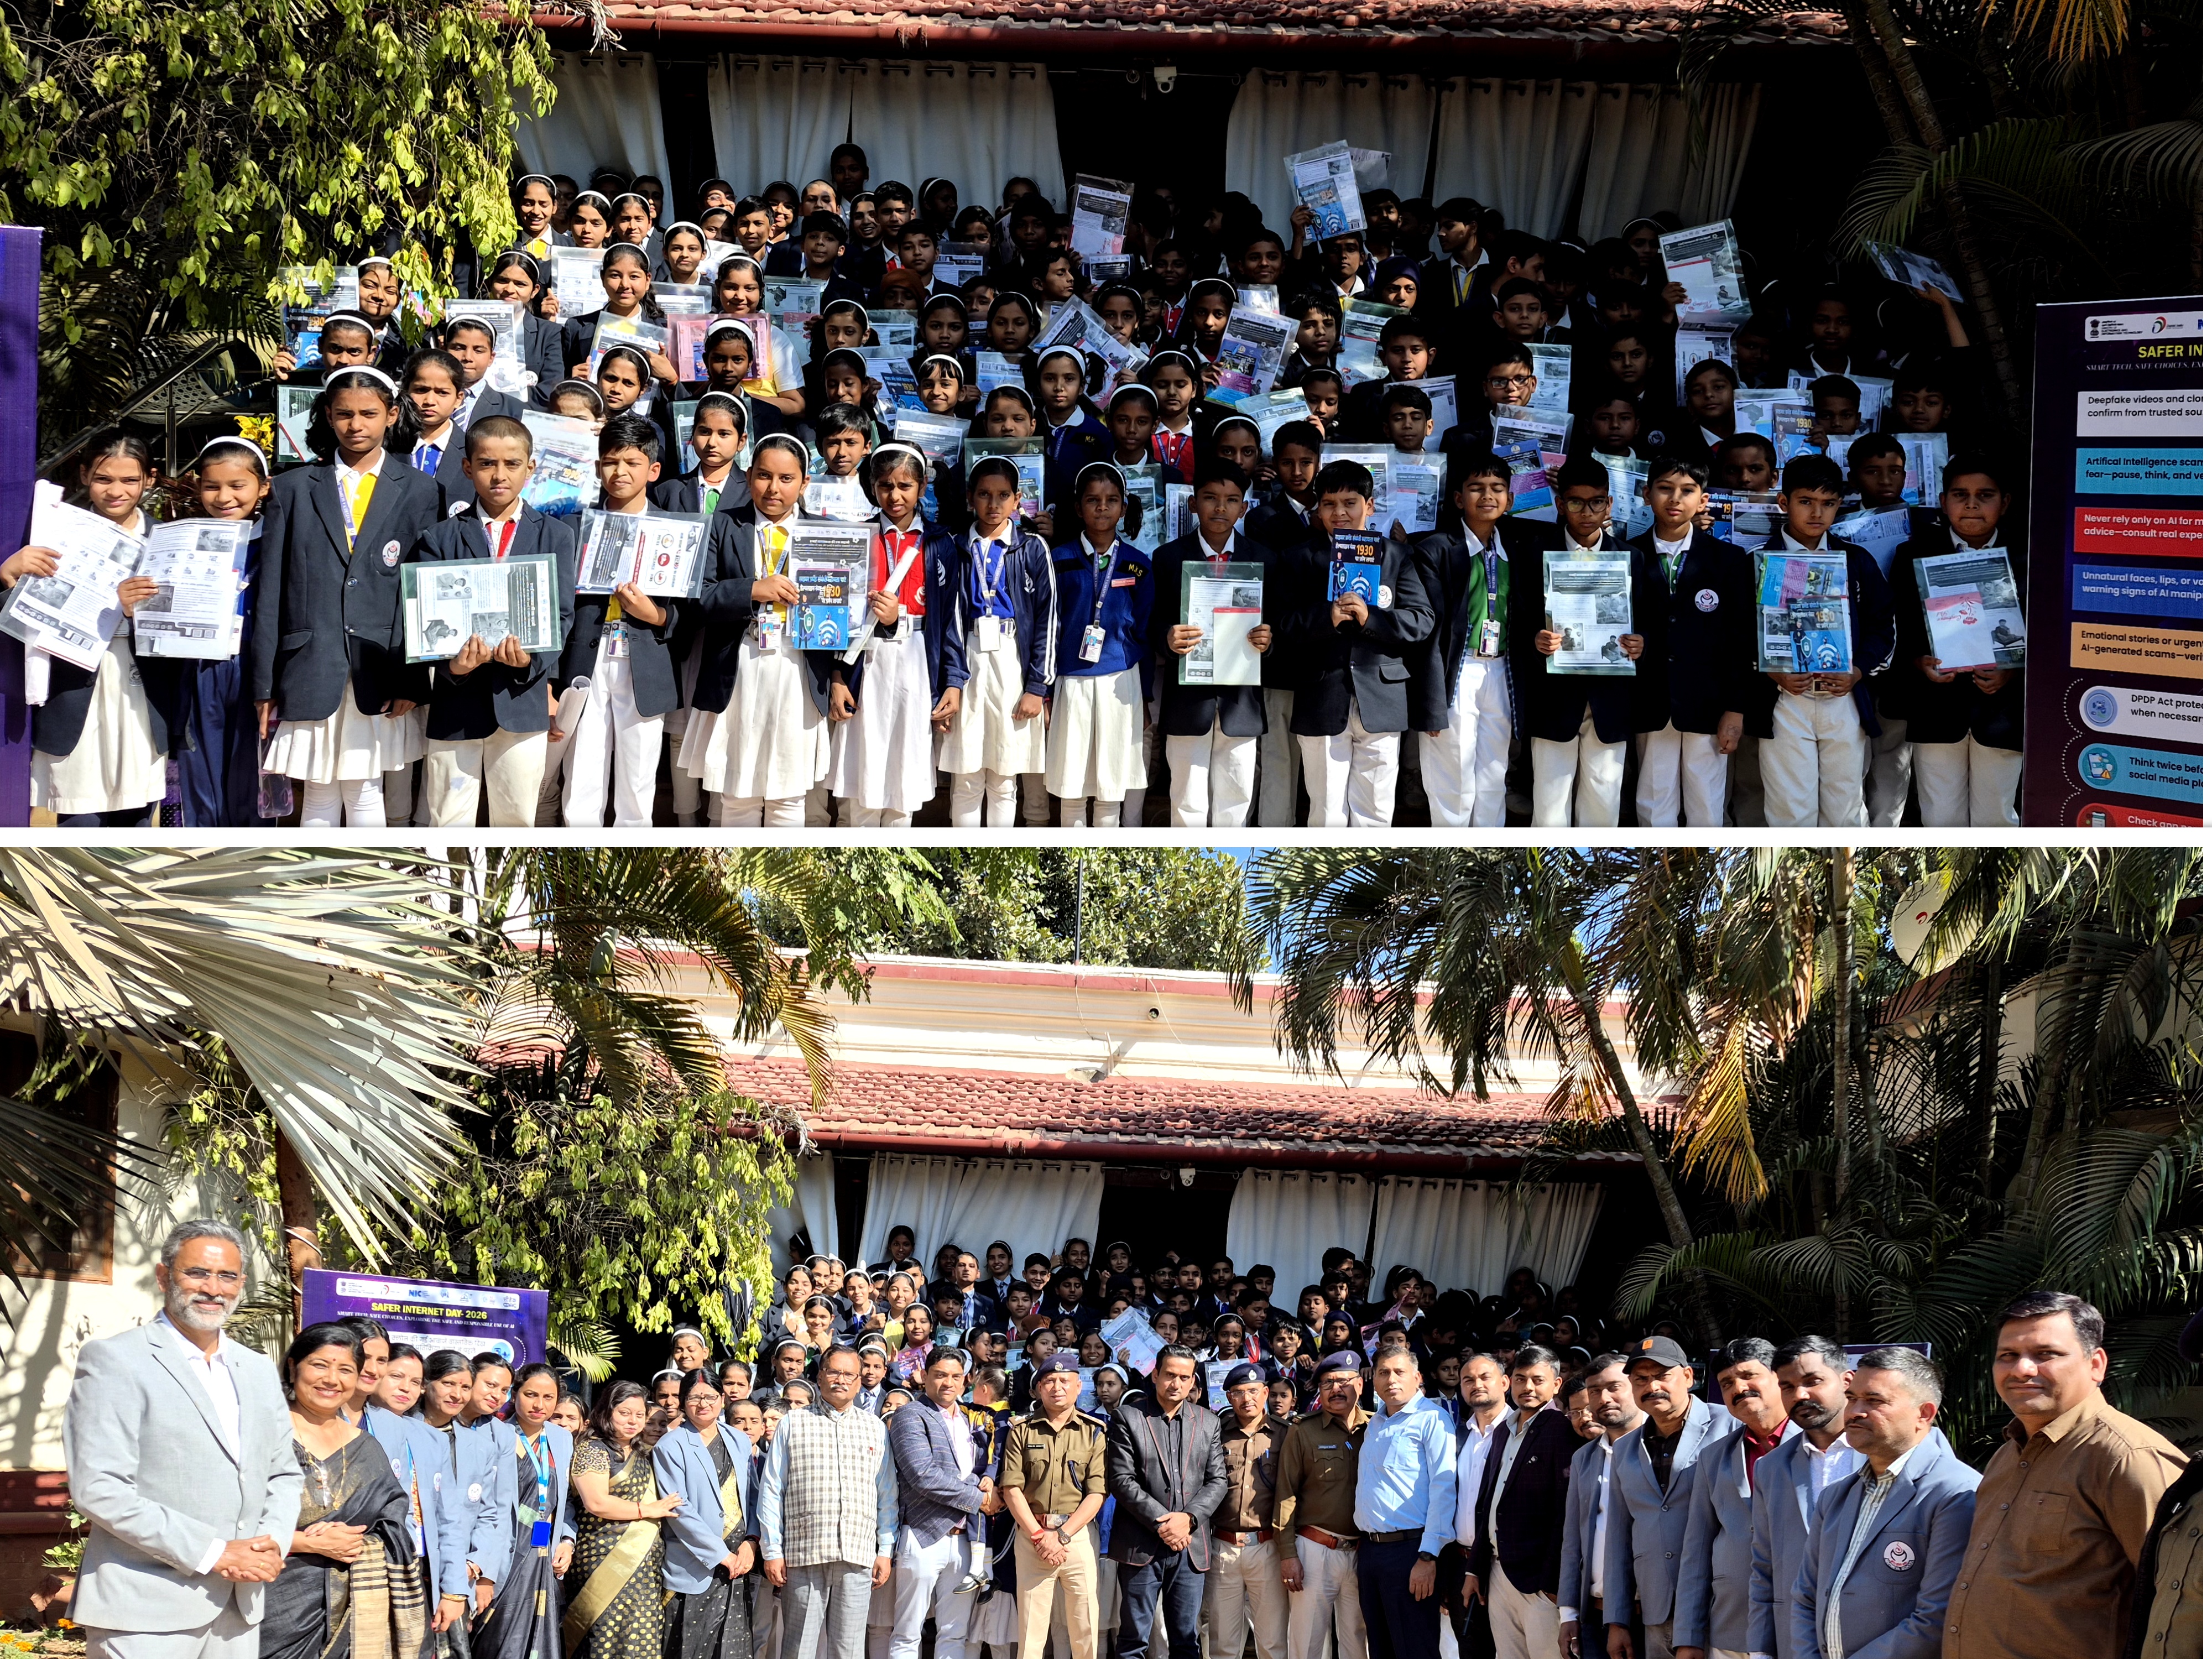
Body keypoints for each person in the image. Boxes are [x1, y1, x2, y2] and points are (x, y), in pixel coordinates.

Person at [64, 1220, 303, 1659]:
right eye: (197, 1273)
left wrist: (267, 1545)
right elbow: (99, 1487)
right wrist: (214, 1552)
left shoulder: (256, 1368)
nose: (213, 1288)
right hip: (145, 1609)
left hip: (239, 1606)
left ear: (241, 1284)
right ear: (163, 1276)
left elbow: (283, 1473)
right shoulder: (116, 1360)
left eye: (227, 1276)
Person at [1940, 1293, 2185, 1659]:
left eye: (2046, 1354)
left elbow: (2181, 1595)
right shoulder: (2007, 1455)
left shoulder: (2128, 1458)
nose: (2022, 1369)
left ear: (2096, 1365)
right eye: (2008, 1356)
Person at [253, 367, 442, 826]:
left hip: (381, 665)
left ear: (391, 415)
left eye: (369, 414)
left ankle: (369, 866)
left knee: (365, 788)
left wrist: (411, 680)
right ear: (328, 416)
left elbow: (422, 591)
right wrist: (264, 684)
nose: (356, 425)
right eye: (344, 414)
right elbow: (272, 590)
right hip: (309, 662)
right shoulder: (292, 488)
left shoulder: (420, 490)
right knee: (317, 790)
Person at [401, 413, 577, 827]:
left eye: (512, 464)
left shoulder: (556, 534)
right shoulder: (439, 537)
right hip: (456, 700)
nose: (500, 475)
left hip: (521, 700)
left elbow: (562, 614)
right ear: (468, 467)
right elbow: (422, 618)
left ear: (530, 468)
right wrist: (452, 666)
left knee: (517, 819)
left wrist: (531, 663)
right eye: (486, 464)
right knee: (448, 818)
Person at [1788, 1347, 1980, 1659]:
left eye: (1874, 1401)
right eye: (1851, 1398)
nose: (1855, 1412)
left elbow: (1937, 1617)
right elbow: (1805, 1597)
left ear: (1924, 1414)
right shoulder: (1836, 1497)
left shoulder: (1956, 1494)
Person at [1281, 458, 1436, 827]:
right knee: (1326, 812)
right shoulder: (1298, 557)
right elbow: (1284, 626)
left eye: (1350, 503)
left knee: (1376, 812)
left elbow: (1422, 620)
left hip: (1381, 697)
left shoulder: (1396, 556)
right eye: (1329, 504)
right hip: (1322, 695)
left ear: (1370, 505)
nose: (1340, 513)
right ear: (1318, 510)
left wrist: (1372, 619)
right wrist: (1327, 618)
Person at [260, 1323, 422, 1659]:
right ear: (293, 1366)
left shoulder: (366, 1447)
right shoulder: (262, 1432)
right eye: (320, 1365)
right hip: (268, 1603)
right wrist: (305, 1542)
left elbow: (394, 1521)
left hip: (353, 1611)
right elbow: (228, 1519)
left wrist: (359, 1542)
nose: (332, 1380)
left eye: (346, 1370)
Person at [1753, 454, 1894, 830]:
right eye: (1806, 502)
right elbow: (1736, 633)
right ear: (1783, 502)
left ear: (1839, 505)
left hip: (1844, 696)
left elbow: (1884, 626)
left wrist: (1858, 670)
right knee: (1789, 811)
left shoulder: (1856, 561)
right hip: (1784, 699)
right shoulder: (1758, 561)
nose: (1817, 513)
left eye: (1828, 503)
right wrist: (1771, 671)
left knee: (1845, 809)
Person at [1884, 457, 2025, 827]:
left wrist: (2014, 671)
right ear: (1944, 502)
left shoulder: (2029, 557)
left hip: (2003, 712)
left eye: (1985, 495)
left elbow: (2050, 634)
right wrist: (1918, 662)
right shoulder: (1913, 555)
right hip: (1937, 709)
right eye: (1961, 495)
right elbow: (1898, 628)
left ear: (2005, 502)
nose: (1972, 505)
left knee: (1996, 818)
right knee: (1940, 817)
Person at [1510, 455, 1650, 828]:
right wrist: (1535, 639)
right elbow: (1517, 617)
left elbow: (1648, 620)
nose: (1587, 512)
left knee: (1604, 806)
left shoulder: (1631, 557)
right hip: (1554, 698)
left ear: (1610, 504)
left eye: (1596, 502)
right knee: (1549, 807)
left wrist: (1641, 643)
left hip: (1611, 699)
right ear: (1560, 504)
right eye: (1576, 503)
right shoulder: (1533, 552)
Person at [1629, 456, 1751, 829]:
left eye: (1687, 491)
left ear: (1703, 500)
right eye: (1665, 489)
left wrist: (1735, 709)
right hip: (1650, 699)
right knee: (1654, 804)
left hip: (1709, 702)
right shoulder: (1627, 555)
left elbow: (1741, 639)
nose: (1675, 499)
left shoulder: (1728, 560)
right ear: (1647, 494)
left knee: (1707, 806)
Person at [757, 1345, 899, 1659]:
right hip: (804, 1553)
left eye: (850, 1374)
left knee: (848, 1651)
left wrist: (886, 1550)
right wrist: (773, 1550)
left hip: (857, 1554)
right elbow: (772, 1490)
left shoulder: (875, 1427)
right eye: (834, 1372)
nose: (841, 1380)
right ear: (820, 1376)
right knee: (798, 1649)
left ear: (860, 1382)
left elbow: (887, 1494)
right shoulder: (793, 1423)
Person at [1410, 452, 1520, 828]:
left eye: (1497, 488)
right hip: (1456, 671)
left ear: (1510, 499)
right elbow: (1428, 633)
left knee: (1494, 774)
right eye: (1476, 488)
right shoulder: (1435, 550)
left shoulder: (1517, 550)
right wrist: (1431, 700)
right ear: (1459, 498)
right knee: (1451, 776)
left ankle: (1488, 850)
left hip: (1501, 670)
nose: (1487, 496)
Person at [1106, 1344, 1230, 1659]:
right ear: (1155, 1375)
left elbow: (1218, 1481)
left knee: (1186, 1641)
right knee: (1133, 1641)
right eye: (1170, 1375)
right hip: (1140, 1545)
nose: (1176, 1383)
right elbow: (1121, 1480)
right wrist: (1166, 1523)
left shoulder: (1208, 1422)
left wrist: (1187, 1520)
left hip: (1190, 1546)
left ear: (1193, 1382)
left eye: (1184, 1377)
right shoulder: (1129, 1417)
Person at [1604, 1337, 1724, 1659]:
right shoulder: (1625, 1449)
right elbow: (1618, 1539)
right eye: (1641, 1379)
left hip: (1720, 1606)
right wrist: (1617, 1621)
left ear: (1688, 1376)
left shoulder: (1728, 1426)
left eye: (1662, 1376)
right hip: (1657, 1612)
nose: (1652, 1386)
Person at [1675, 1338, 1792, 1659]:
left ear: (1778, 1378)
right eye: (1727, 1383)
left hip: (1802, 1629)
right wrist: (1688, 1637)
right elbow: (1696, 1551)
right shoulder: (1714, 1457)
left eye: (1749, 1376)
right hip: (1732, 1628)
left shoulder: (1822, 1447)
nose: (1739, 1388)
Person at [1747, 1338, 1863, 1659]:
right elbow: (1764, 1567)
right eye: (1787, 1387)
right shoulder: (1771, 1468)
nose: (1800, 1395)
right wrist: (1761, 1650)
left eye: (1812, 1381)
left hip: (1872, 1639)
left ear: (1847, 1381)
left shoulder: (1885, 1455)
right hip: (1796, 1642)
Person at [1468, 1347, 1578, 1659]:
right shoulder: (1503, 1430)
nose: (1528, 1387)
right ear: (1510, 1382)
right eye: (1520, 1379)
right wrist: (1475, 1569)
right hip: (1498, 1572)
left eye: (1537, 1380)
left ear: (1556, 1384)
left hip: (1539, 1583)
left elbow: (1565, 1513)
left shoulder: (1561, 1430)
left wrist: (1552, 1584)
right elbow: (1488, 1503)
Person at [885, 1349, 993, 1659]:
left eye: (956, 1377)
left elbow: (979, 1469)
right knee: (908, 1633)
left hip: (966, 1540)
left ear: (966, 1381)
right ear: (924, 1376)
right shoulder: (909, 1415)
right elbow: (923, 1475)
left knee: (954, 1634)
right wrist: (979, 1498)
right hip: (923, 1535)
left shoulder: (972, 1419)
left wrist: (989, 1482)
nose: (949, 1383)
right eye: (940, 1375)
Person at [999, 1352, 1107, 1659]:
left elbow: (1097, 1493)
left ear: (1078, 1387)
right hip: (1033, 1536)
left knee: (1085, 1627)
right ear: (1038, 1389)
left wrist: (1062, 1536)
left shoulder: (1094, 1431)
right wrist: (1039, 1536)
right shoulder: (1021, 1430)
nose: (1057, 1387)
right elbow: (1011, 1489)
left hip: (1076, 1535)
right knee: (1031, 1632)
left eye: (1064, 1381)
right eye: (1049, 1381)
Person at [565, 1380, 681, 1659]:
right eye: (624, 1413)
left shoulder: (642, 1453)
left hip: (646, 1570)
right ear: (607, 1412)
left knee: (640, 1641)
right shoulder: (593, 1449)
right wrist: (648, 1510)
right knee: (602, 1638)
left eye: (639, 1415)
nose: (633, 1421)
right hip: (602, 1563)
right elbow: (596, 1502)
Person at [1354, 1346, 1458, 1659]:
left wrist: (1428, 1556)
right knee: (1381, 1647)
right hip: (1371, 1551)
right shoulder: (1375, 1423)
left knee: (1415, 1648)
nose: (1391, 1380)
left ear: (1418, 1377)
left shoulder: (1432, 1419)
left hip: (1411, 1551)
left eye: (1399, 1372)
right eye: (1383, 1373)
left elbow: (1444, 1488)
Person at [474, 1361, 576, 1659]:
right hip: (503, 1553)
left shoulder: (561, 1439)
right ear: (515, 1393)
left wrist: (567, 1540)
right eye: (531, 1395)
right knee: (498, 1636)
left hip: (543, 1554)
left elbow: (564, 1499)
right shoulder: (493, 1434)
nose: (539, 1405)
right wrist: (483, 1567)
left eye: (548, 1398)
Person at [655, 1368, 757, 1659]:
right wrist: (721, 1554)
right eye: (694, 1398)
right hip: (697, 1563)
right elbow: (678, 1507)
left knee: (734, 1647)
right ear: (683, 1401)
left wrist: (751, 1541)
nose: (703, 1404)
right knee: (691, 1647)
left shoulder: (738, 1439)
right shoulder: (670, 1445)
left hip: (739, 1562)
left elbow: (752, 1495)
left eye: (711, 1397)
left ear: (723, 1399)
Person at [1559, 1354, 1646, 1659]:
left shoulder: (1663, 1449)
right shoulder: (1584, 1458)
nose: (1604, 1398)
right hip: (1594, 1615)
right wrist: (1568, 1613)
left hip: (1653, 1616)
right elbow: (1573, 1540)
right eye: (1595, 1391)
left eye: (1614, 1387)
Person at [1212, 1361, 1290, 1659]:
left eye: (1254, 1391)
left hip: (1268, 1547)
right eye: (1239, 1392)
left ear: (1266, 1393)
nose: (1247, 1399)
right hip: (1223, 1547)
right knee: (1222, 1643)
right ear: (1229, 1397)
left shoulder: (1285, 1434)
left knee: (1272, 1642)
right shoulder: (1216, 1433)